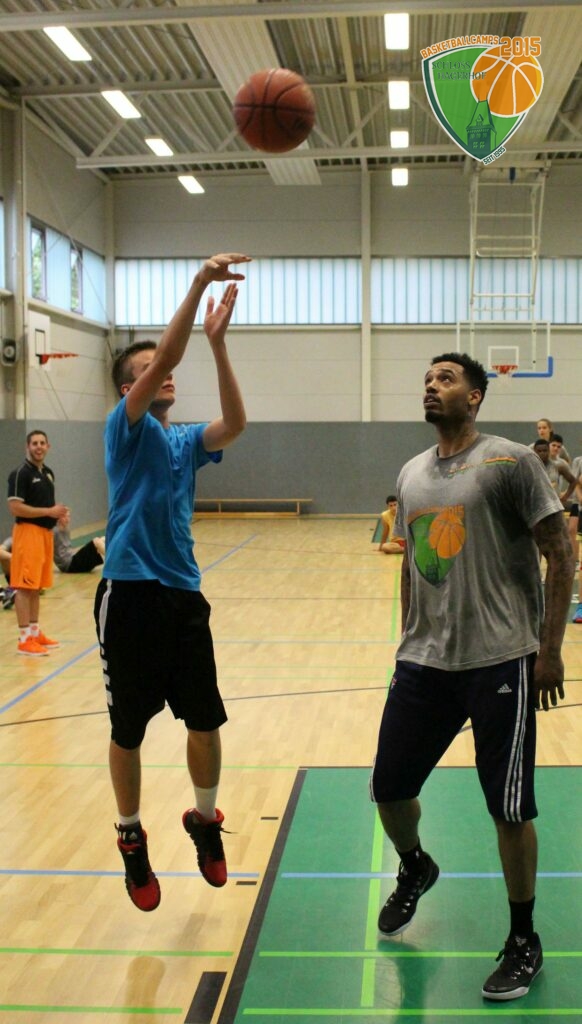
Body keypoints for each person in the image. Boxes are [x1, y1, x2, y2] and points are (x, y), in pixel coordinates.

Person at [370, 352, 574, 1002]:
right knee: (388, 788)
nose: (432, 386)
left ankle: (523, 939)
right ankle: (415, 866)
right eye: (427, 379)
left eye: (447, 378)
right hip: (424, 662)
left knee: (508, 809)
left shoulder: (510, 462)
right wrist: (406, 639)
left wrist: (550, 650)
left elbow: (560, 550)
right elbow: (412, 564)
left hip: (501, 660)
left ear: (476, 396)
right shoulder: (411, 473)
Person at [94, 252, 250, 914]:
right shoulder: (123, 429)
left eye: (159, 369)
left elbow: (235, 425)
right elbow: (165, 357)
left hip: (184, 592)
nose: (162, 374)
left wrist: (218, 345)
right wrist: (198, 285)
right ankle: (131, 836)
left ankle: (204, 820)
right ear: (129, 388)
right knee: (128, 729)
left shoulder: (184, 441)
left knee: (206, 721)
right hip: (128, 592)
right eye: (147, 370)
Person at [7, 430, 69, 655]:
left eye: (42, 443)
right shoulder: (20, 474)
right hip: (27, 534)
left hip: (45, 535)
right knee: (24, 587)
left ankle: (34, 632)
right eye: (34, 443)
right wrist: (48, 511)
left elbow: (48, 506)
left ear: (48, 446)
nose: (39, 447)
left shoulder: (48, 473)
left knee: (36, 586)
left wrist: (58, 516)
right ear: (28, 447)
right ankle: (24, 639)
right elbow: (15, 507)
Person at [532, 438, 578, 507]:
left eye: (544, 451)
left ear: (548, 451)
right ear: (535, 452)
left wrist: (565, 497)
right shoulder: (529, 466)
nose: (542, 453)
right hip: (535, 504)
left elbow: (573, 481)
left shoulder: (558, 465)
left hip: (554, 505)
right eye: (539, 451)